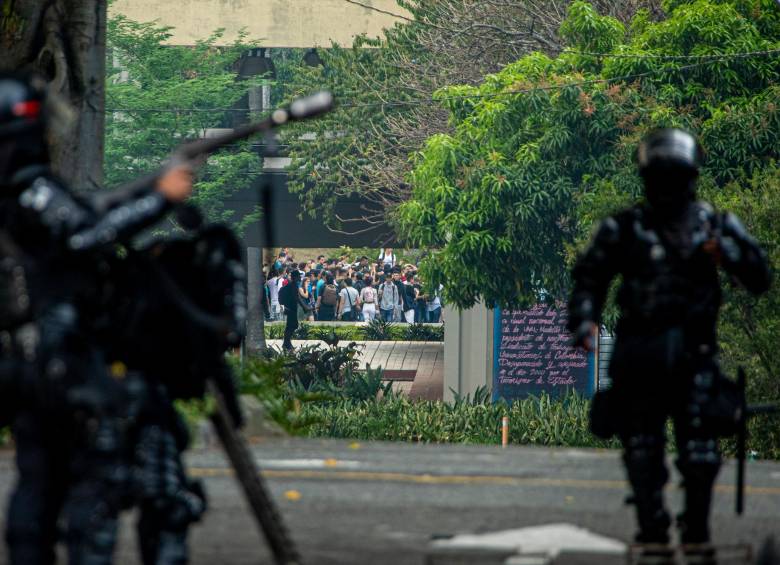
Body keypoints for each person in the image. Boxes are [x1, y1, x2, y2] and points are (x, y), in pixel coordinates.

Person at [0, 72, 194, 565]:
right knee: (95, 488)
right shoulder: (31, 191)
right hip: (64, 361)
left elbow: (87, 213)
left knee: (39, 485)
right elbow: (87, 236)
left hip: (26, 360)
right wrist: (161, 198)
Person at [568, 128, 770, 563]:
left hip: (694, 353)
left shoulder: (714, 225)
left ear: (691, 178)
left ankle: (695, 529)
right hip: (640, 353)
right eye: (659, 178)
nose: (668, 188)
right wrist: (583, 320)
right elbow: (589, 276)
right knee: (642, 447)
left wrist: (728, 254)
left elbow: (760, 274)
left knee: (700, 450)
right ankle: (652, 527)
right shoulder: (626, 228)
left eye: (675, 178)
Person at [279, 269, 301, 350]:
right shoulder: (293, 285)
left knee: (291, 326)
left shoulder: (293, 284)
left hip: (291, 308)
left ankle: (286, 343)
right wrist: (305, 307)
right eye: (299, 276)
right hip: (291, 309)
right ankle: (286, 343)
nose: (300, 277)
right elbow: (296, 298)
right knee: (293, 325)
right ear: (295, 277)